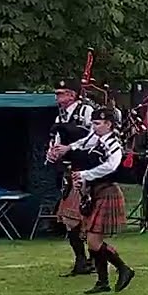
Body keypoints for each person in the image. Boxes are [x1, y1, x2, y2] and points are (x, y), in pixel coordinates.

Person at [66, 107, 135, 294]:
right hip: (95, 191)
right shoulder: (95, 141)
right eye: (93, 123)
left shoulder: (112, 143)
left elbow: (111, 166)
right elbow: (83, 151)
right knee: (92, 241)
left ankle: (123, 269)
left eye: (97, 123)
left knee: (93, 241)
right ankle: (103, 282)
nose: (94, 127)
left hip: (107, 191)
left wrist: (86, 174)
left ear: (109, 124)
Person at [49, 81, 96, 276]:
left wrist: (70, 147)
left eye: (61, 93)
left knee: (89, 218)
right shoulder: (60, 116)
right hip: (70, 170)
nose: (57, 97)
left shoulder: (86, 111)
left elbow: (95, 138)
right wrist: (52, 152)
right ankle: (80, 260)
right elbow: (56, 140)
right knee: (70, 219)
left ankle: (94, 259)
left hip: (88, 169)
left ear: (72, 95)